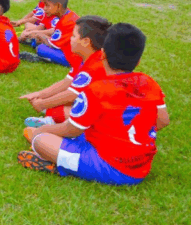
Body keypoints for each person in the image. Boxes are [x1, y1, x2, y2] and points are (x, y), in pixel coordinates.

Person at [18, 23, 170, 186]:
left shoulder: (96, 90)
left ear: (102, 54)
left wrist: (42, 131)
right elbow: (163, 120)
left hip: (112, 168)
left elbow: (72, 129)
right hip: (141, 167)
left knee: (41, 140)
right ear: (138, 61)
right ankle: (59, 148)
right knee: (65, 132)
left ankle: (61, 165)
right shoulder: (149, 83)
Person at [21, 16, 110, 127]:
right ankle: (54, 116)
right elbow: (66, 82)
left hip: (104, 110)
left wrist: (42, 104)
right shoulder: (82, 58)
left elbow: (72, 94)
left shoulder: (96, 65)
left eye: (73, 36)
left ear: (86, 41)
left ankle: (53, 122)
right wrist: (40, 95)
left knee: (70, 111)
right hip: (90, 100)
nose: (70, 39)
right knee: (58, 103)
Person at [25, 0, 81, 68]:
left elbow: (51, 44)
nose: (44, 9)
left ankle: (44, 58)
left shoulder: (66, 21)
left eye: (47, 6)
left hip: (73, 57)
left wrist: (38, 34)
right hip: (73, 50)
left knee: (41, 48)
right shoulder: (68, 15)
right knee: (39, 42)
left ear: (58, 6)